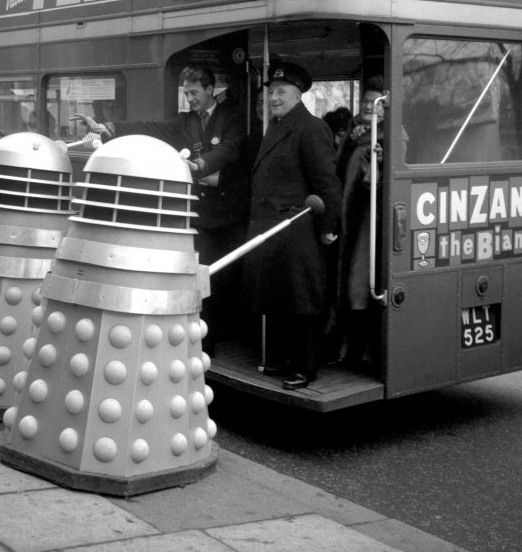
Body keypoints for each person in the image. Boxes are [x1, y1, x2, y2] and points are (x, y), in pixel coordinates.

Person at [73, 64, 249, 349]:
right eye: (186, 93)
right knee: (202, 275)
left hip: (230, 213)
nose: (190, 99)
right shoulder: (186, 122)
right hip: (202, 215)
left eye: (194, 93)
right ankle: (206, 339)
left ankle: (227, 333)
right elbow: (152, 128)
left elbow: (230, 148)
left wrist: (200, 165)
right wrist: (110, 128)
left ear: (209, 89)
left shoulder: (232, 118)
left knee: (228, 276)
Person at [241, 60, 341, 390]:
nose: (273, 98)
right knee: (280, 299)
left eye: (281, 92)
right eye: (271, 92)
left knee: (302, 302)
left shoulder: (311, 128)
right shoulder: (278, 126)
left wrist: (328, 228)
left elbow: (327, 184)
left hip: (298, 230)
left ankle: (306, 366)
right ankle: (286, 357)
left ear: (298, 95)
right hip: (274, 231)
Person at [335, 76, 407, 372]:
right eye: (365, 101)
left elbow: (389, 185)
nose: (367, 106)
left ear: (385, 107)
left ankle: (361, 354)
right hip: (349, 219)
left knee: (360, 284)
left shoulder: (393, 138)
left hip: (371, 222)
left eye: (374, 103)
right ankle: (348, 349)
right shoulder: (357, 133)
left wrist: (378, 164)